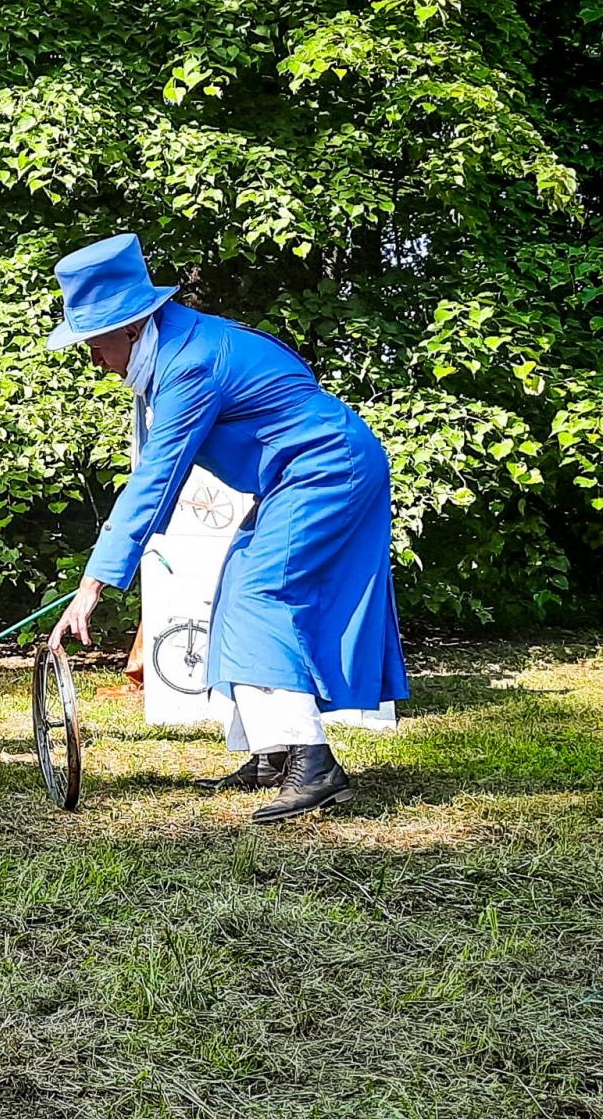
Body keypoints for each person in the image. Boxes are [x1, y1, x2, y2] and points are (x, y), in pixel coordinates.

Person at [46, 235, 408, 822]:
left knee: (261, 594)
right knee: (239, 584)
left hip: (325, 469)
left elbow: (155, 478)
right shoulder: (184, 342)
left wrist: (94, 583)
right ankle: (276, 750)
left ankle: (313, 765)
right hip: (302, 471)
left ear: (131, 328)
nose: (94, 360)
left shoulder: (189, 363)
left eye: (94, 344)